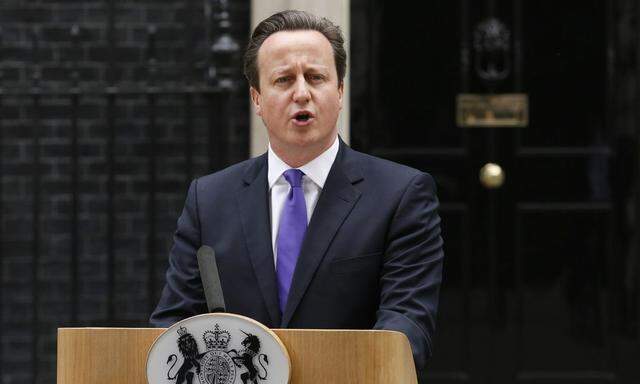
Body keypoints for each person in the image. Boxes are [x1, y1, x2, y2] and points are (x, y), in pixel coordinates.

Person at [150, 9, 444, 378]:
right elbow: (173, 324)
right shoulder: (209, 199)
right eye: (284, 79)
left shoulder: (401, 195)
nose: (301, 93)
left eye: (316, 78)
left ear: (339, 92)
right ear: (257, 98)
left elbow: (407, 323)